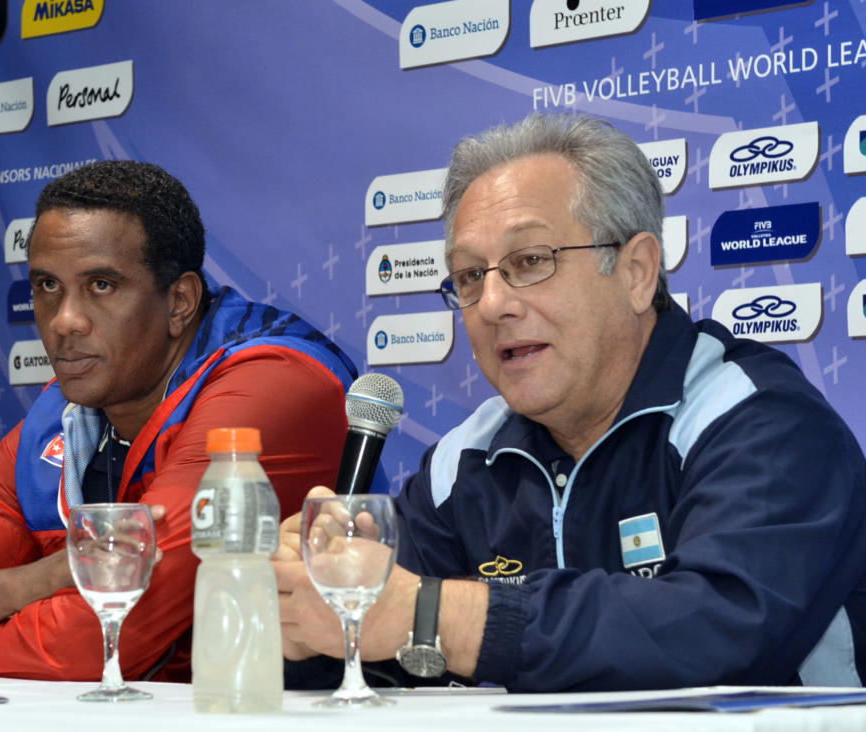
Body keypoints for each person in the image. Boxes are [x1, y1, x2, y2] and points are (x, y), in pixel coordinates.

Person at [275, 113, 866, 692]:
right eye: (470, 276)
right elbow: (379, 646)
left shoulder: (761, 419)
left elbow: (717, 626)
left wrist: (432, 614)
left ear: (636, 271)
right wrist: (307, 626)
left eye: (530, 261)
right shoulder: (468, 460)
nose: (491, 304)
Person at [0, 160, 357, 681]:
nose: (65, 321)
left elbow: (96, 643)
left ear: (180, 302)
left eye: (102, 286)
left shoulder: (273, 382)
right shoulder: (59, 417)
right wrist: (26, 584)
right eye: (47, 285)